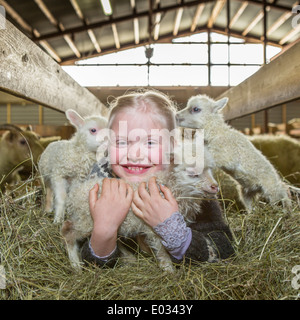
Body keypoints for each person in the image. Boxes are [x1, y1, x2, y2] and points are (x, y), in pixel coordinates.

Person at [80, 89, 234, 267]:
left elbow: (225, 247)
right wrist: (103, 231)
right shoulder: (99, 181)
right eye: (121, 142)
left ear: (173, 145)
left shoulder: (192, 184)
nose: (135, 155)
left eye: (151, 142)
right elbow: (81, 254)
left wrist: (174, 232)